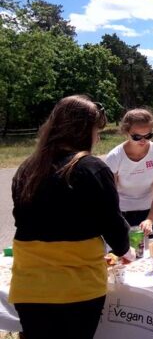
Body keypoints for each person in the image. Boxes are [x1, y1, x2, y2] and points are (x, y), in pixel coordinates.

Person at [10, 95, 133, 339]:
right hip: (77, 287)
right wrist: (125, 248)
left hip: (29, 286)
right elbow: (113, 226)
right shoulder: (91, 167)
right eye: (97, 131)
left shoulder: (28, 167)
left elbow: (21, 219)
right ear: (85, 130)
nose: (98, 137)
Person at [106, 109, 153, 234]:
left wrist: (150, 220)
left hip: (151, 211)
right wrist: (121, 223)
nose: (143, 140)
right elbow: (110, 196)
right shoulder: (114, 157)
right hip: (121, 214)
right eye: (137, 137)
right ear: (126, 132)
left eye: (148, 135)